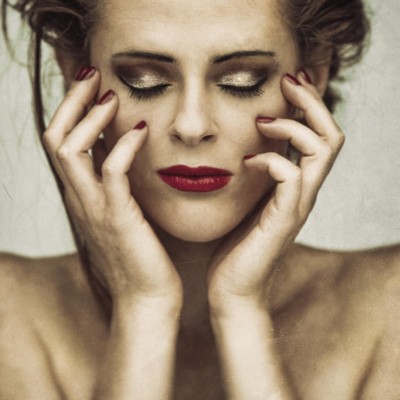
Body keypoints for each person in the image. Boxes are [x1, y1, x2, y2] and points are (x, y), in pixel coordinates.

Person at [1, 0, 399, 399]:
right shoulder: (9, 309)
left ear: (311, 77)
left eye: (242, 81)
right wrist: (144, 306)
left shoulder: (389, 304)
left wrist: (241, 310)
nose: (192, 126)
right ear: (77, 76)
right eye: (144, 81)